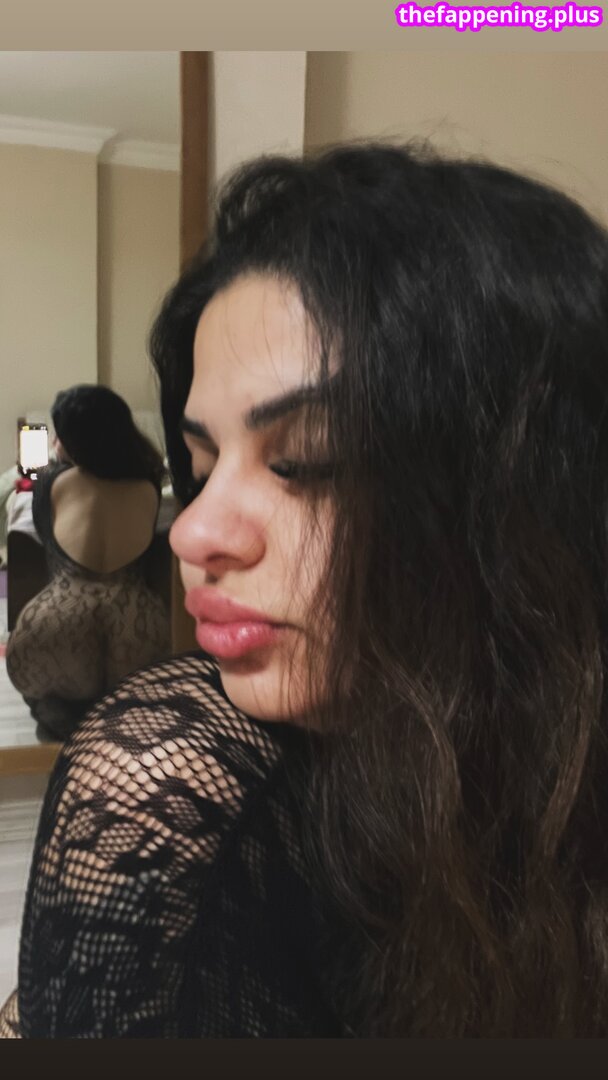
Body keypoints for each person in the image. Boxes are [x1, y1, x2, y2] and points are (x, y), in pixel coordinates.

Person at [1, 139, 608, 1038]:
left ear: (527, 493)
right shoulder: (166, 783)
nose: (194, 533)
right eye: (200, 465)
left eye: (304, 460)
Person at [5, 385, 170, 740]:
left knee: (46, 701)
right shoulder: (149, 482)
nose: (55, 443)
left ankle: (69, 722)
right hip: (137, 629)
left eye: (60, 436)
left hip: (59, 628)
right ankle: (117, 716)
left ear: (74, 443)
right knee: (133, 697)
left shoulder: (51, 481)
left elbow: (44, 531)